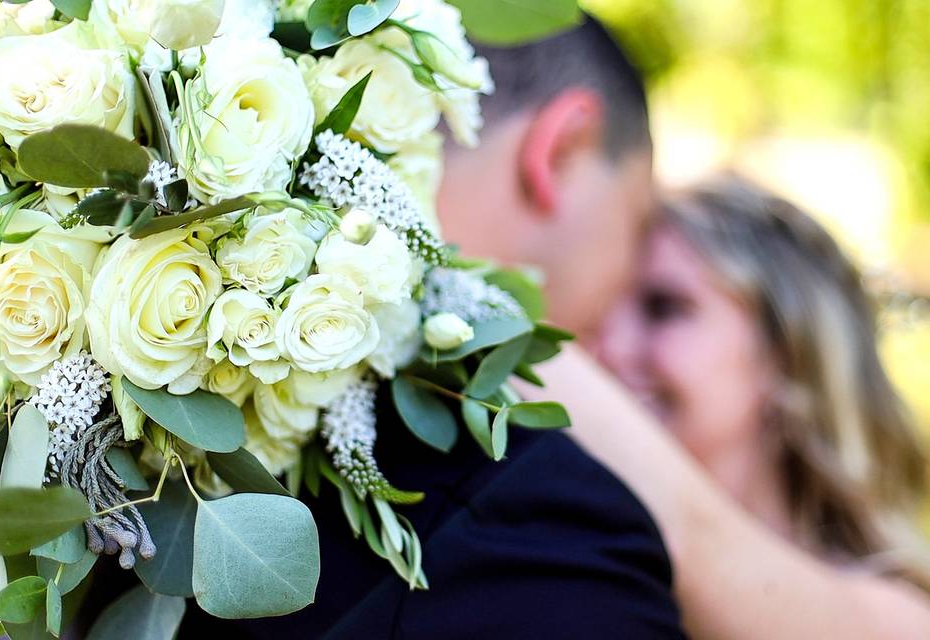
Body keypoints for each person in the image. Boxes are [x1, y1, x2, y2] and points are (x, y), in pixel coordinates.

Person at [176, 15, 684, 640]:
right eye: (636, 227)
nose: (618, 327)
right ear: (563, 147)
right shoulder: (551, 535)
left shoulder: (154, 428)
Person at [525, 175, 930, 639]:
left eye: (663, 308)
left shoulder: (902, 619)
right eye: (603, 309)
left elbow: (691, 538)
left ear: (787, 356)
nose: (607, 348)